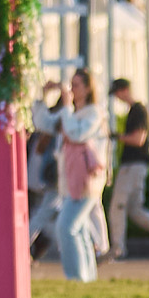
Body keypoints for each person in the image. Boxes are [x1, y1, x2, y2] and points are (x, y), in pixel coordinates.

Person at [48, 68, 105, 282]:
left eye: (77, 85)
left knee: (66, 227)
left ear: (88, 88)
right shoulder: (73, 112)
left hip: (85, 182)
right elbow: (45, 123)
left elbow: (76, 134)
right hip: (70, 180)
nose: (72, 89)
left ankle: (76, 277)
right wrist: (42, 97)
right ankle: (87, 278)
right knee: (79, 229)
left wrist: (65, 107)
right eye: (70, 85)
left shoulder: (93, 113)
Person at [108, 78, 149, 257]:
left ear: (124, 90)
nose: (118, 98)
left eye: (118, 93)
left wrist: (116, 136)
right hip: (137, 166)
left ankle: (117, 248)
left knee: (117, 206)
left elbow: (138, 139)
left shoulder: (138, 110)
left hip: (132, 165)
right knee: (135, 210)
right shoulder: (136, 111)